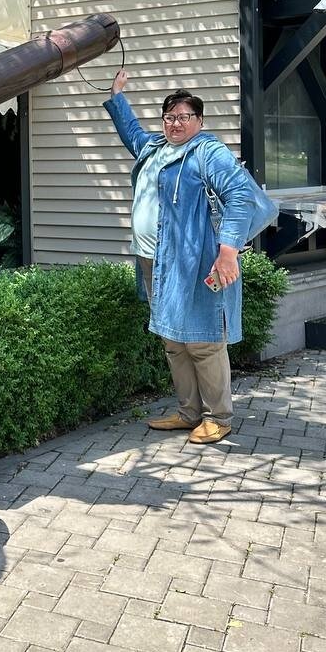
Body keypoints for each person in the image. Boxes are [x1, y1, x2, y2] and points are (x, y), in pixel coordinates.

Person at [105, 69, 260, 444]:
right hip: (153, 261)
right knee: (173, 340)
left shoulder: (208, 152)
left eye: (184, 116)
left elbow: (240, 195)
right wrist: (117, 95)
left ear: (200, 121)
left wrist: (228, 251)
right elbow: (131, 132)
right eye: (169, 117)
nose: (175, 123)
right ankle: (189, 412)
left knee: (203, 340)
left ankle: (218, 417)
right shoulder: (154, 147)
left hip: (194, 262)